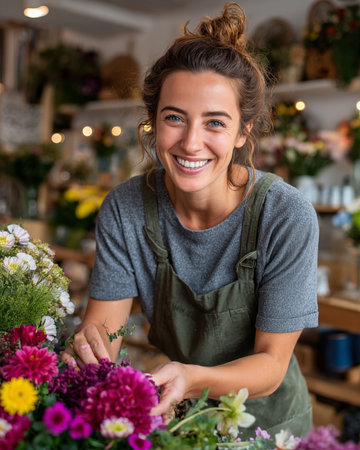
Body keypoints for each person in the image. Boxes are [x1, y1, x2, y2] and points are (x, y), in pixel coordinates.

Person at [61, 1, 319, 439]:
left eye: (215, 123)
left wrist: (191, 377)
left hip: (267, 429)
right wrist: (86, 356)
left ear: (244, 132)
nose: (191, 142)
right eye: (174, 118)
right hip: (181, 420)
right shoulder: (126, 208)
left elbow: (272, 365)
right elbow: (103, 333)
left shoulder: (285, 214)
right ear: (153, 123)